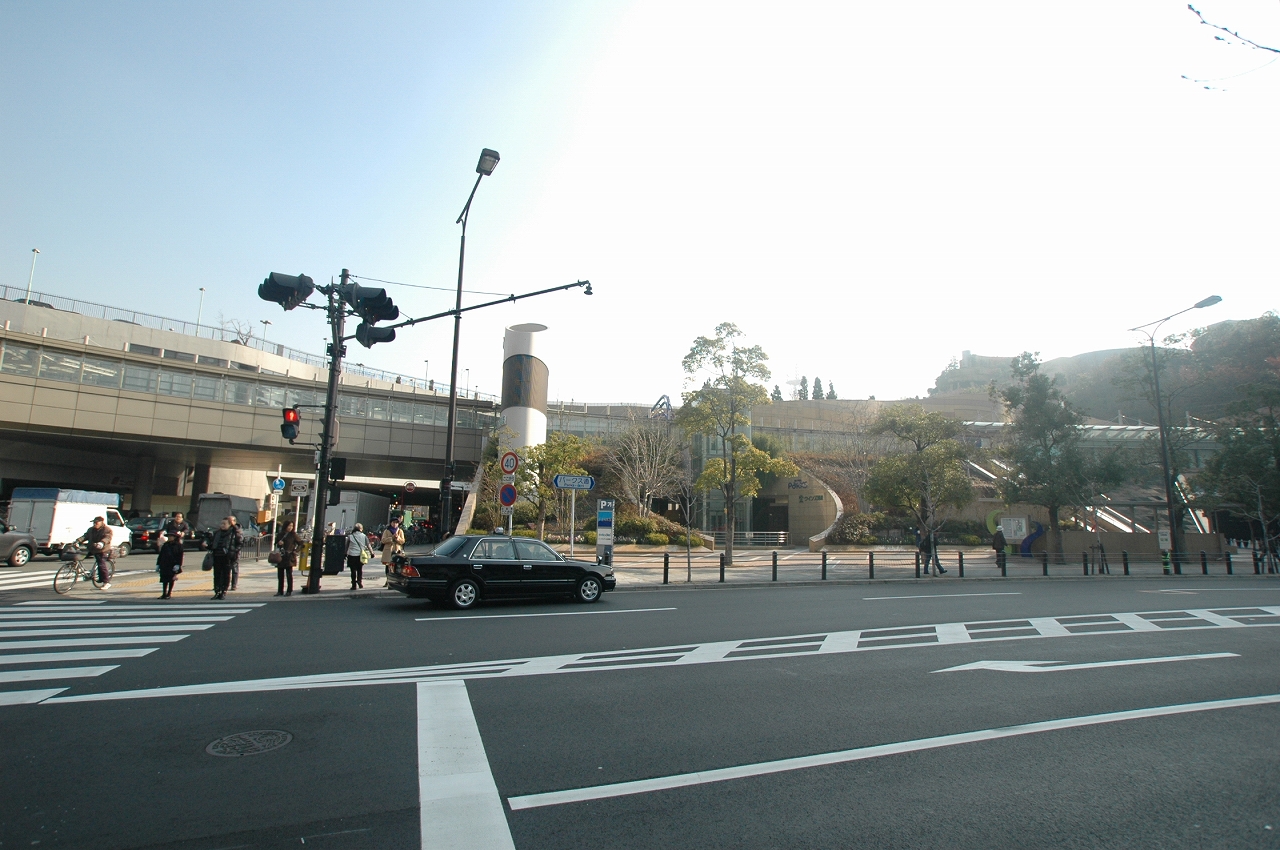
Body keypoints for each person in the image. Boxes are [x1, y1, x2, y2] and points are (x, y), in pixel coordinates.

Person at [77, 516, 114, 590]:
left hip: (102, 549)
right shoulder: (91, 529)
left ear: (101, 522)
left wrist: (101, 543)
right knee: (78, 556)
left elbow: (107, 538)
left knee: (101, 564)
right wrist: (78, 541)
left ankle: (106, 582)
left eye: (96, 522)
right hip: (92, 548)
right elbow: (85, 536)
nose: (95, 524)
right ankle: (83, 572)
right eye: (94, 522)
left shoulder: (107, 530)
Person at [209, 518, 241, 600]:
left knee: (226, 575)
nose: (222, 525)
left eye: (224, 524)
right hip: (217, 556)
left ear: (230, 524)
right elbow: (212, 544)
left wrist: (234, 551)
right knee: (217, 575)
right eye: (221, 524)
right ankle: (217, 591)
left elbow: (239, 544)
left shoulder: (234, 533)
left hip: (228, 557)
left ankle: (223, 591)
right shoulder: (217, 533)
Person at [275, 520, 301, 596]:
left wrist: (296, 551)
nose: (290, 527)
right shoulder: (280, 534)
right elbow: (276, 544)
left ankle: (289, 590)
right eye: (289, 526)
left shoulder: (293, 535)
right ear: (285, 526)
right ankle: (280, 591)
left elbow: (300, 543)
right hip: (281, 556)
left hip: (289, 556)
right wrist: (279, 543)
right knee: (280, 575)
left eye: (292, 526)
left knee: (289, 574)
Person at [156, 533, 183, 599]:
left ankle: (169, 593)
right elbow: (161, 555)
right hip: (164, 564)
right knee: (164, 579)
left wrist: (178, 565)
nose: (169, 538)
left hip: (172, 564)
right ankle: (164, 593)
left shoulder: (178, 545)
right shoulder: (166, 545)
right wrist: (158, 564)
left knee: (171, 579)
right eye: (169, 536)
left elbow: (180, 556)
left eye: (171, 536)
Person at [346, 523, 372, 589]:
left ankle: (353, 584)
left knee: (353, 570)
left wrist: (345, 554)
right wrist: (372, 553)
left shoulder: (350, 536)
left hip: (351, 555)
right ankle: (359, 581)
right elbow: (368, 545)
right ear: (361, 529)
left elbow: (346, 546)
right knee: (360, 569)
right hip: (360, 555)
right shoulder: (364, 536)